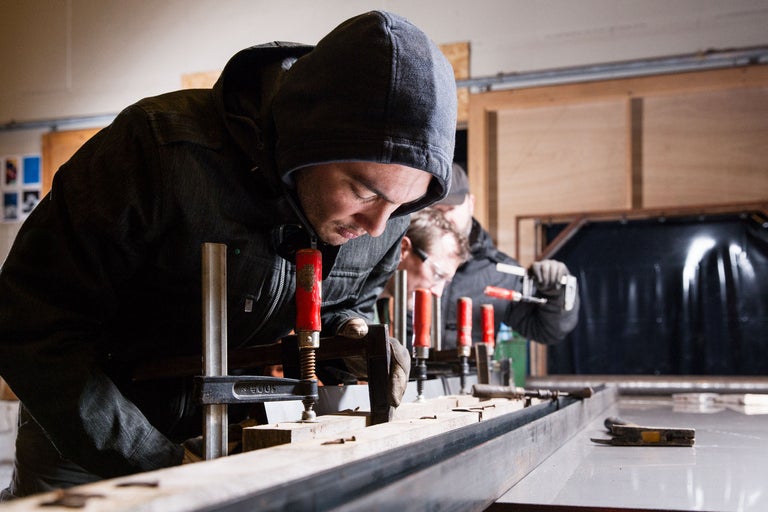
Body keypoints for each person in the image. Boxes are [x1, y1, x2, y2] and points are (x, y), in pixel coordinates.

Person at [0, 11, 457, 500]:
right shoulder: (157, 153)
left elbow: (342, 303)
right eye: (363, 191)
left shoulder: (389, 214)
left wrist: (353, 340)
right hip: (87, 444)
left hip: (239, 437)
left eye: (403, 204)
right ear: (304, 143)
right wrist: (164, 462)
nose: (378, 226)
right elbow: (32, 323)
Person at [433, 164, 579, 349]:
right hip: (404, 375)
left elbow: (546, 331)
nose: (445, 219)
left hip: (468, 376)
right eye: (436, 210)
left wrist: (556, 293)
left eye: (450, 209)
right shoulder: (406, 259)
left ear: (471, 204)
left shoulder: (501, 274)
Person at [376, 207, 470, 349]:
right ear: (403, 249)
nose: (438, 293)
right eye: (437, 275)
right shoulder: (353, 298)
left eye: (446, 282)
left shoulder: (383, 312)